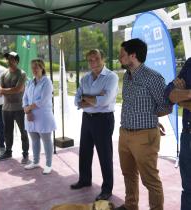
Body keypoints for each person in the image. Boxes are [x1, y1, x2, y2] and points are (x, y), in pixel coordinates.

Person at [115, 38, 172, 210]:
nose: (119, 58)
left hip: (144, 136)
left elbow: (166, 106)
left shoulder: (153, 77)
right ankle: (131, 206)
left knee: (150, 180)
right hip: (124, 134)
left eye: (122, 54)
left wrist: (152, 120)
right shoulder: (127, 76)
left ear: (133, 55)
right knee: (128, 174)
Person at [70, 49, 118, 201]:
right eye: (90, 60)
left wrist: (88, 99)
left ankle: (107, 189)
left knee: (105, 155)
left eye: (96, 59)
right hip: (87, 118)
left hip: (103, 120)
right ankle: (84, 179)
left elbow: (104, 101)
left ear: (103, 59)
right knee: (84, 150)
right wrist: (93, 98)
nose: (93, 62)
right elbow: (77, 100)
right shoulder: (85, 78)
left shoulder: (111, 77)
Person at [164, 58, 191, 210]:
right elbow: (169, 93)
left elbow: (178, 99)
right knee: (188, 191)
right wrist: (187, 94)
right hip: (188, 137)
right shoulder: (190, 64)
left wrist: (183, 99)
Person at [22, 59, 56, 174]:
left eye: (37, 67)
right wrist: (26, 110)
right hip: (30, 116)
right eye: (33, 67)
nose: (34, 70)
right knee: (34, 139)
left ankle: (48, 164)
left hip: (43, 116)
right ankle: (36, 161)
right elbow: (25, 97)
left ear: (42, 68)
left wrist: (29, 108)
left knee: (46, 140)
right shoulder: (30, 82)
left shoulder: (47, 82)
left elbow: (43, 100)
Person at [0, 51, 30, 164]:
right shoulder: (3, 74)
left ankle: (25, 154)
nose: (9, 61)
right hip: (6, 109)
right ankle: (8, 151)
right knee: (7, 132)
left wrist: (4, 90)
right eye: (8, 59)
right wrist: (6, 90)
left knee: (23, 132)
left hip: (20, 108)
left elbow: (18, 89)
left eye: (12, 59)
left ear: (17, 61)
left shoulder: (22, 74)